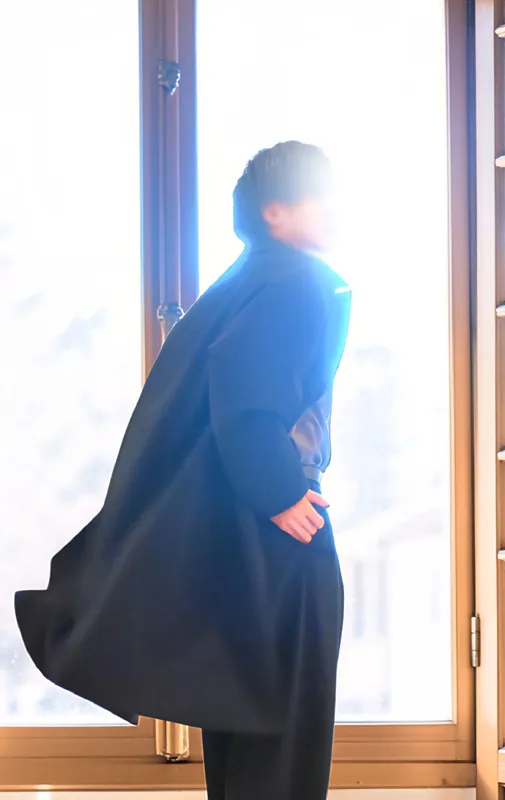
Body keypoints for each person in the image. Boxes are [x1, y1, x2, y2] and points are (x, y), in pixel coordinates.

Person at [15, 141, 351, 799]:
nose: (335, 209)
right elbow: (246, 396)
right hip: (278, 529)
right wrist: (281, 491)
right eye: (321, 195)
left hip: (237, 533)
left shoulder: (238, 282)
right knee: (285, 732)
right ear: (275, 211)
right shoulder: (299, 282)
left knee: (248, 723)